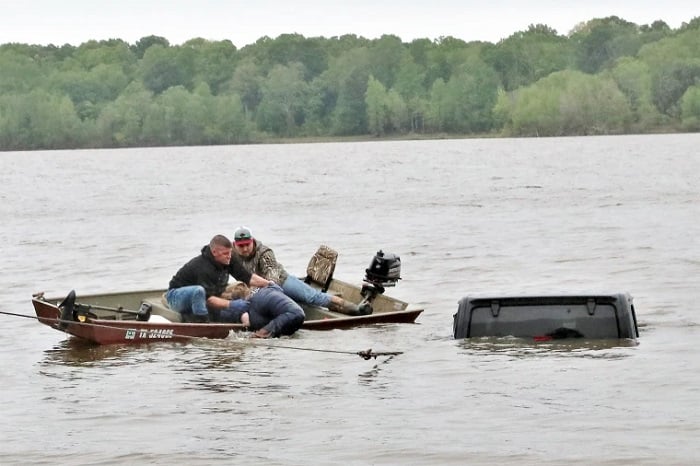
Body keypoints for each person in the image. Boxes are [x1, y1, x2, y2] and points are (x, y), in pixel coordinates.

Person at [231, 226, 370, 315]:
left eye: (247, 245)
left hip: (281, 281)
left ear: (252, 241)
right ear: (234, 245)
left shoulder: (264, 253)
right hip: (259, 289)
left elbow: (272, 278)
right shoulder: (231, 255)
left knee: (312, 297)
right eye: (241, 246)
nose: (244, 249)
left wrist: (254, 293)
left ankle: (352, 307)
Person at [166, 234, 270, 323]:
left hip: (207, 296)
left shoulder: (229, 258)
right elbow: (208, 299)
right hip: (176, 297)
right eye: (225, 254)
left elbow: (248, 277)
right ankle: (201, 323)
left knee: (234, 299)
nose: (229, 256)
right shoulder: (203, 267)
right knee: (199, 292)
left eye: (230, 252)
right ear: (214, 252)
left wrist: (269, 284)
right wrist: (232, 304)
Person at [220, 281, 305, 338]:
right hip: (295, 314)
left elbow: (248, 323)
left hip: (293, 314)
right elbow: (273, 284)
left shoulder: (251, 306)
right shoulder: (268, 288)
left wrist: (262, 333)